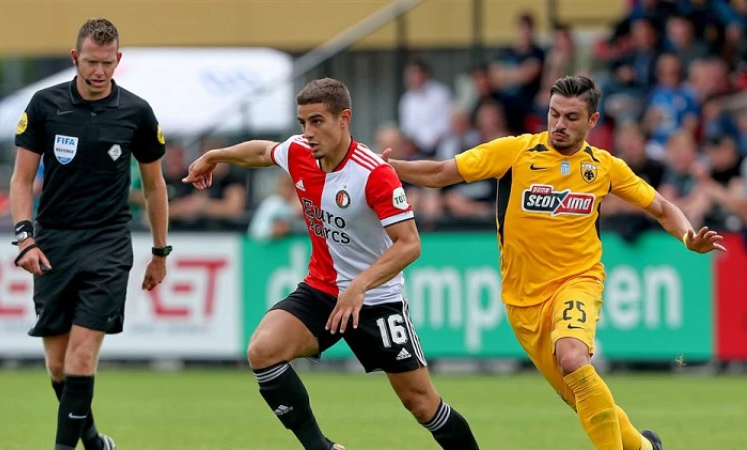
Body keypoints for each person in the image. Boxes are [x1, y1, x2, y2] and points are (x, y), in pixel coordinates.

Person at [383, 75, 727, 450]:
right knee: (579, 393)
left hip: (578, 281)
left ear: (592, 122)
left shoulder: (604, 167)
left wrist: (687, 236)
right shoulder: (515, 152)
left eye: (571, 117)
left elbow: (661, 206)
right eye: (554, 114)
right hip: (523, 301)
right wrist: (387, 168)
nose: (559, 124)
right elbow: (441, 173)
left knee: (573, 357)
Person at [184, 78, 480, 450]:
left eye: (317, 121)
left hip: (377, 299)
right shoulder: (299, 152)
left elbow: (409, 244)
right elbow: (263, 152)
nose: (307, 132)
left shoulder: (373, 173)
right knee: (262, 351)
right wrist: (216, 156)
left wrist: (359, 286)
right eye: (302, 122)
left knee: (422, 405)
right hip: (323, 289)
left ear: (344, 118)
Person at [9, 18, 170, 450]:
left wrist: (160, 252)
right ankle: (94, 441)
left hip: (109, 244)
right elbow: (22, 180)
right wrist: (25, 239)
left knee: (82, 355)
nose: (98, 72)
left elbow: (155, 187)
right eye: (90, 63)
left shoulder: (136, 112)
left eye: (107, 63)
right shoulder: (44, 105)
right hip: (53, 241)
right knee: (58, 364)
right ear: (74, 57)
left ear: (118, 60)